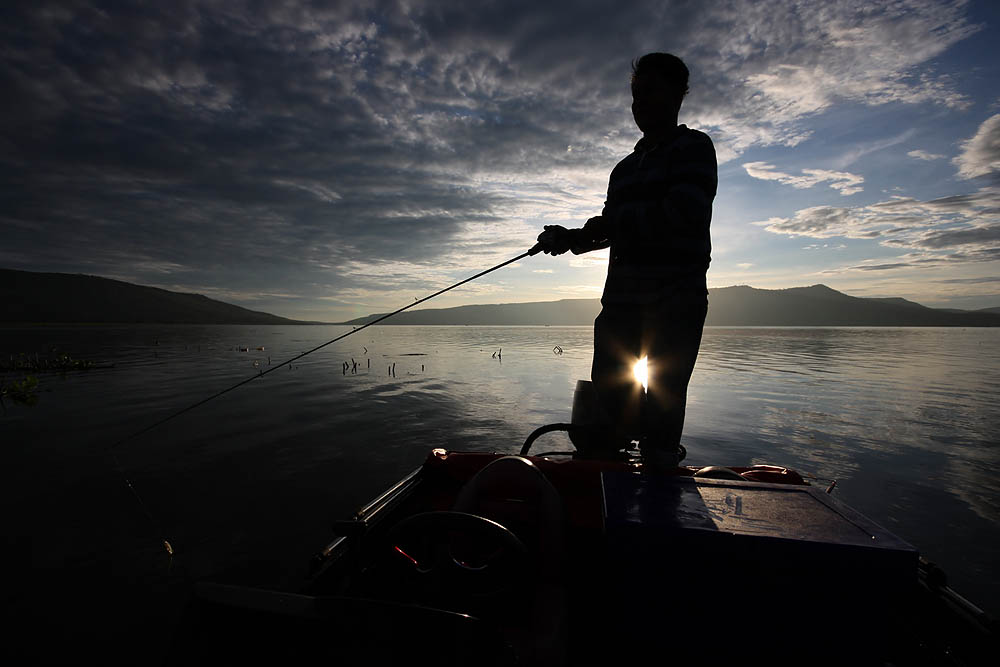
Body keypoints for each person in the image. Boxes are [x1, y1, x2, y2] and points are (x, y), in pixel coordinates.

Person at [535, 53, 717, 467]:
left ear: (677, 95)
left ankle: (658, 464)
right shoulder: (624, 169)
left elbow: (683, 213)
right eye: (635, 95)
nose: (640, 103)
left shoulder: (694, 147)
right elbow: (614, 229)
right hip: (620, 302)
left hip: (675, 299)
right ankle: (624, 461)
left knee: (666, 397)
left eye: (649, 92)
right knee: (610, 388)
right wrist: (571, 238)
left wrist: (607, 223)